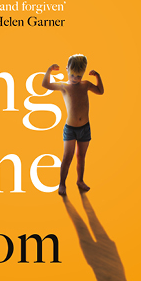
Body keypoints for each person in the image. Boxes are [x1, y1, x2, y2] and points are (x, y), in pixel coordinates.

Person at [40, 54, 104, 196]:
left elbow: (100, 91)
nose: (75, 79)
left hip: (85, 128)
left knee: (81, 156)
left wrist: (97, 77)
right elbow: (45, 84)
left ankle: (80, 180)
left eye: (79, 76)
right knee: (67, 156)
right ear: (67, 69)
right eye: (73, 75)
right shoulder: (64, 86)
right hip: (70, 129)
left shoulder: (85, 84)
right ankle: (62, 183)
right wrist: (49, 70)